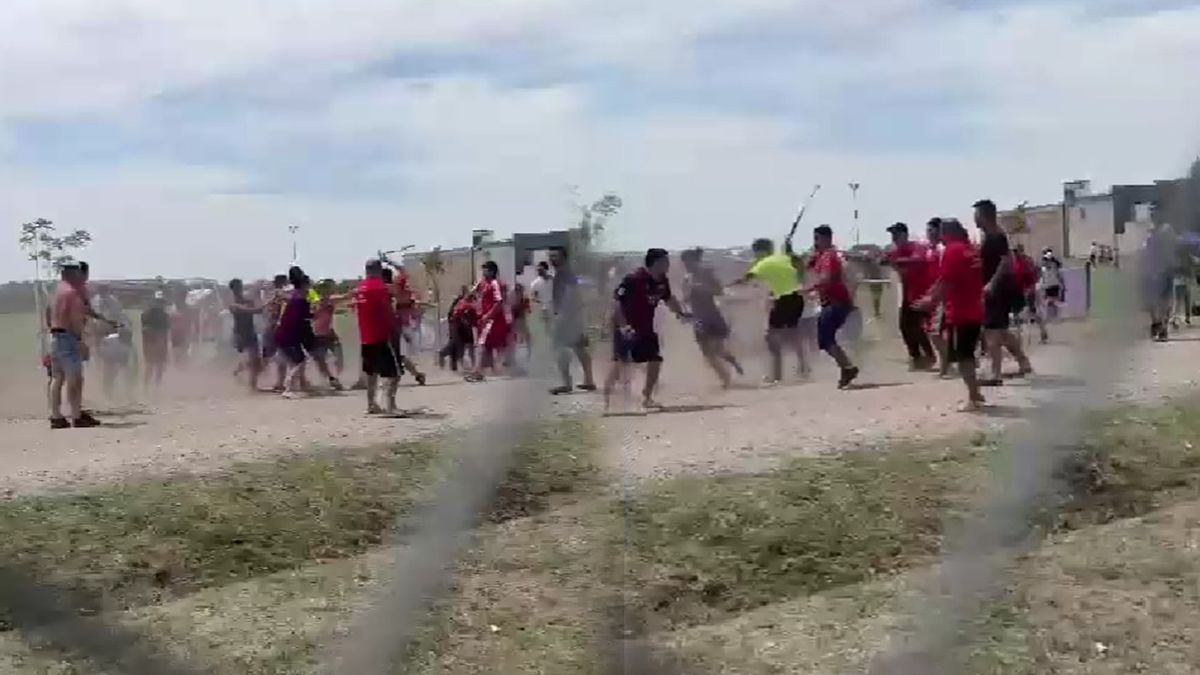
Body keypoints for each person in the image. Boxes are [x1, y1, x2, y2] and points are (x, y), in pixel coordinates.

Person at [603, 248, 691, 410]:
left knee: (655, 359)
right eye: (665, 261)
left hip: (646, 328)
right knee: (621, 364)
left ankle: (647, 397)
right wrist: (623, 326)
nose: (668, 264)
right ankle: (606, 400)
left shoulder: (662, 280)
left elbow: (668, 298)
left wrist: (681, 313)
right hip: (626, 328)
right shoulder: (633, 279)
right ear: (656, 263)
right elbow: (616, 303)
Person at [916, 219, 985, 412]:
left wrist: (930, 301)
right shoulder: (969, 249)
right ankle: (976, 392)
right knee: (966, 354)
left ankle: (973, 397)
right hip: (974, 309)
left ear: (947, 233)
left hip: (962, 311)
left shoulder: (953, 251)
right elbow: (946, 279)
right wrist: (932, 295)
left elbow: (947, 281)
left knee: (964, 357)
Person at [730, 237, 809, 383]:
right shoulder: (784, 257)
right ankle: (803, 367)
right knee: (792, 334)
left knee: (771, 337)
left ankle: (776, 375)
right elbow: (798, 265)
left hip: (784, 300)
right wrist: (790, 250)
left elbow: (746, 278)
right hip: (797, 298)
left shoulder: (762, 264)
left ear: (760, 251)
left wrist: (729, 285)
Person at [974, 199, 1033, 385]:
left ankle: (995, 374)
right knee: (1001, 332)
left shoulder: (997, 235)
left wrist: (991, 283)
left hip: (998, 289)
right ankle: (1023, 362)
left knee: (992, 332)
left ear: (985, 216)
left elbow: (1005, 261)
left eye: (976, 215)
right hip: (995, 288)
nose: (974, 219)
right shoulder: (988, 236)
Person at [799, 225, 860, 388]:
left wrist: (808, 289)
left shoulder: (829, 256)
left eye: (817, 239)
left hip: (837, 302)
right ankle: (847, 368)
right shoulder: (821, 256)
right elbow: (805, 266)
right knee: (825, 340)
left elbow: (826, 278)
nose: (815, 242)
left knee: (825, 339)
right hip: (830, 302)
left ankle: (848, 368)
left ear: (826, 238)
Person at [680, 247, 743, 388]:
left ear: (696, 261)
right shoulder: (686, 278)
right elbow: (685, 299)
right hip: (698, 318)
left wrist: (702, 287)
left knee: (716, 350)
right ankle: (727, 372)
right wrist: (685, 312)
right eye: (684, 263)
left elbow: (719, 291)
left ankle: (727, 375)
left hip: (712, 316)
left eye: (688, 262)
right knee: (707, 354)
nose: (686, 266)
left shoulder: (707, 273)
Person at [47, 263, 99, 428]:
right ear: (72, 273)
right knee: (74, 379)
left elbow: (48, 313)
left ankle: (56, 416)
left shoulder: (57, 292)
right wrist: (79, 340)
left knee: (57, 378)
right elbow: (75, 319)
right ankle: (76, 415)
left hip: (55, 337)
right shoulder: (72, 293)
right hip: (68, 338)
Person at [883, 222, 936, 369]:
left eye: (896, 234)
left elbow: (919, 260)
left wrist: (896, 261)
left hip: (923, 292)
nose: (894, 238)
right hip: (909, 294)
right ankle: (917, 357)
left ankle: (929, 356)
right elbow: (882, 259)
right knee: (905, 327)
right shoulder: (895, 251)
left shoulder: (916, 247)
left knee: (919, 328)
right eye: (892, 235)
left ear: (905, 235)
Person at [548, 246, 597, 395]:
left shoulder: (565, 274)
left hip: (568, 317)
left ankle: (567, 383)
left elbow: (571, 294)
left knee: (561, 349)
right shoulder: (561, 274)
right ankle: (589, 380)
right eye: (551, 256)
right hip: (572, 317)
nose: (552, 259)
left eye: (555, 256)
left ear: (563, 257)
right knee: (579, 348)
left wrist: (561, 314)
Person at [356, 259, 401, 414]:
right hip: (381, 336)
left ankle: (371, 404)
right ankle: (390, 406)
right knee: (394, 373)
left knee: (371, 373)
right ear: (379, 270)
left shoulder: (361, 288)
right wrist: (394, 328)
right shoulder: (380, 288)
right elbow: (386, 312)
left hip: (365, 337)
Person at [380, 266, 428, 386]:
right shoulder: (388, 290)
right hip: (393, 326)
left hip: (395, 326)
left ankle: (415, 375)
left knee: (394, 355)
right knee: (396, 356)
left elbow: (403, 271)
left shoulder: (393, 288)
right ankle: (417, 374)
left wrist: (390, 261)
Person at [466, 261, 511, 382]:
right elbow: (471, 294)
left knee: (482, 344)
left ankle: (477, 372)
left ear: (491, 271)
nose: (483, 272)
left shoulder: (495, 284)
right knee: (490, 346)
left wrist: (487, 316)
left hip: (493, 319)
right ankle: (490, 369)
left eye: (485, 270)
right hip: (485, 319)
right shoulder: (482, 283)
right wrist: (473, 291)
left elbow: (499, 302)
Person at [275, 267, 315, 399]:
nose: (309, 288)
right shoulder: (300, 300)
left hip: (288, 336)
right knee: (299, 360)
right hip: (288, 336)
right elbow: (306, 317)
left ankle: (293, 386)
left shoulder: (295, 297)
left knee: (298, 360)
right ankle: (288, 387)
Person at [227, 278, 265, 392]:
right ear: (233, 289)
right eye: (236, 288)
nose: (238, 290)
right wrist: (262, 305)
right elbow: (254, 310)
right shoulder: (233, 305)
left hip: (250, 332)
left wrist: (259, 298)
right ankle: (251, 385)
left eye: (239, 287)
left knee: (256, 361)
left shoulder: (248, 300)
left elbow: (257, 309)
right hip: (240, 334)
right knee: (254, 360)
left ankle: (249, 382)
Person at [310, 278, 346, 390]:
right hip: (317, 334)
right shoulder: (314, 301)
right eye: (322, 289)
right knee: (320, 360)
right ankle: (331, 379)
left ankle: (335, 378)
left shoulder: (330, 300)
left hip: (329, 333)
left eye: (326, 288)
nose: (324, 291)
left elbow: (344, 297)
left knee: (338, 357)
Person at [262, 274, 290, 392]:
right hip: (276, 328)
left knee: (268, 357)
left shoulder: (270, 294)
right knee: (281, 357)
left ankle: (245, 373)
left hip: (270, 327)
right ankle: (280, 383)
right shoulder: (279, 293)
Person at [440, 285, 477, 372]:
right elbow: (454, 314)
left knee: (463, 345)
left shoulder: (470, 301)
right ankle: (447, 358)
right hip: (457, 324)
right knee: (455, 344)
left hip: (463, 325)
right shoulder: (461, 302)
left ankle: (460, 366)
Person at [141, 291, 171, 388]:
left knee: (159, 367)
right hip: (150, 343)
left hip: (161, 343)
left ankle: (156, 387)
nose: (160, 304)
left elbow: (166, 331)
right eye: (158, 302)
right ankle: (146, 387)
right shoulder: (146, 314)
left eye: (161, 302)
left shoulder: (165, 316)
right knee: (150, 366)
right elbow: (144, 330)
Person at [1040, 248, 1065, 324]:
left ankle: (1053, 317)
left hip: (1052, 283)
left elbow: (1057, 271)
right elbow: (1044, 274)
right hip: (1050, 283)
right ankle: (1052, 317)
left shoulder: (1053, 262)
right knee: (1051, 300)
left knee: (1051, 300)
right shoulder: (1046, 262)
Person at [529, 260, 553, 330]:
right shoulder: (535, 283)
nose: (539, 271)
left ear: (546, 269)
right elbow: (533, 297)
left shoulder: (553, 280)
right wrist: (538, 303)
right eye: (538, 270)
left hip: (552, 307)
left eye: (541, 270)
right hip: (540, 309)